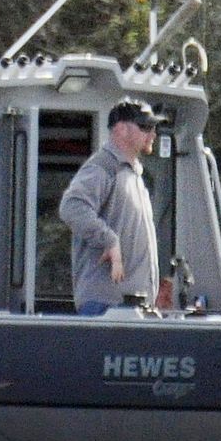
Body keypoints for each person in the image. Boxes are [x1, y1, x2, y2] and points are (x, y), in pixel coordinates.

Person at [59, 97, 160, 315]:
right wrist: (110, 241)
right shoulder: (104, 166)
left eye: (153, 127)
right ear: (122, 129)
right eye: (145, 126)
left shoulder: (132, 172)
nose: (153, 133)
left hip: (129, 307)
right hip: (104, 307)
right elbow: (72, 207)